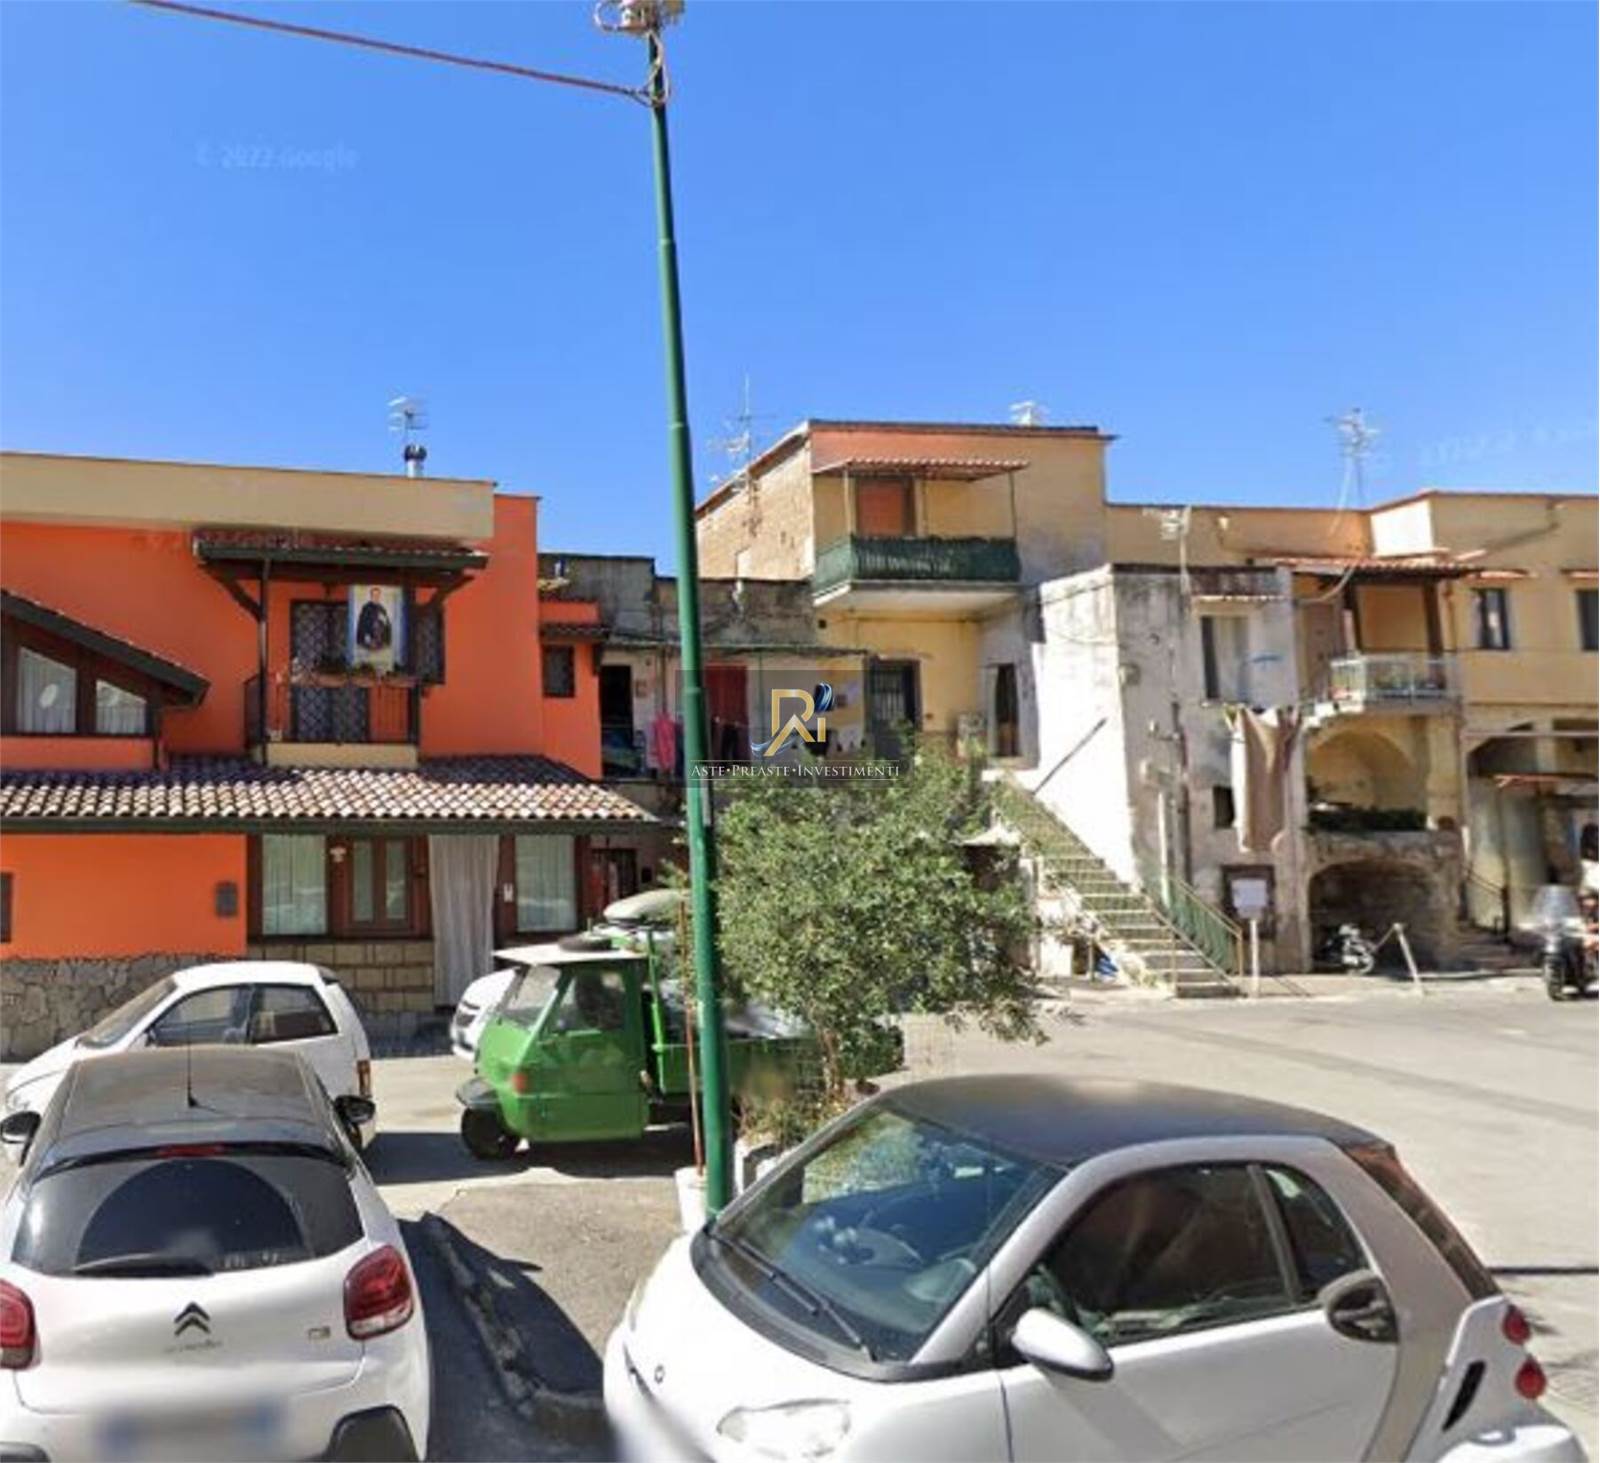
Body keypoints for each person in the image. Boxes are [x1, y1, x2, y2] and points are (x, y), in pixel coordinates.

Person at [356, 587, 392, 654]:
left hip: (380, 640)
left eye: (377, 595)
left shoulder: (382, 609)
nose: (376, 597)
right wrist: (367, 636)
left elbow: (387, 623)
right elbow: (362, 623)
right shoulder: (366, 608)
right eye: (374, 595)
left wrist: (384, 622)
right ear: (371, 596)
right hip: (368, 638)